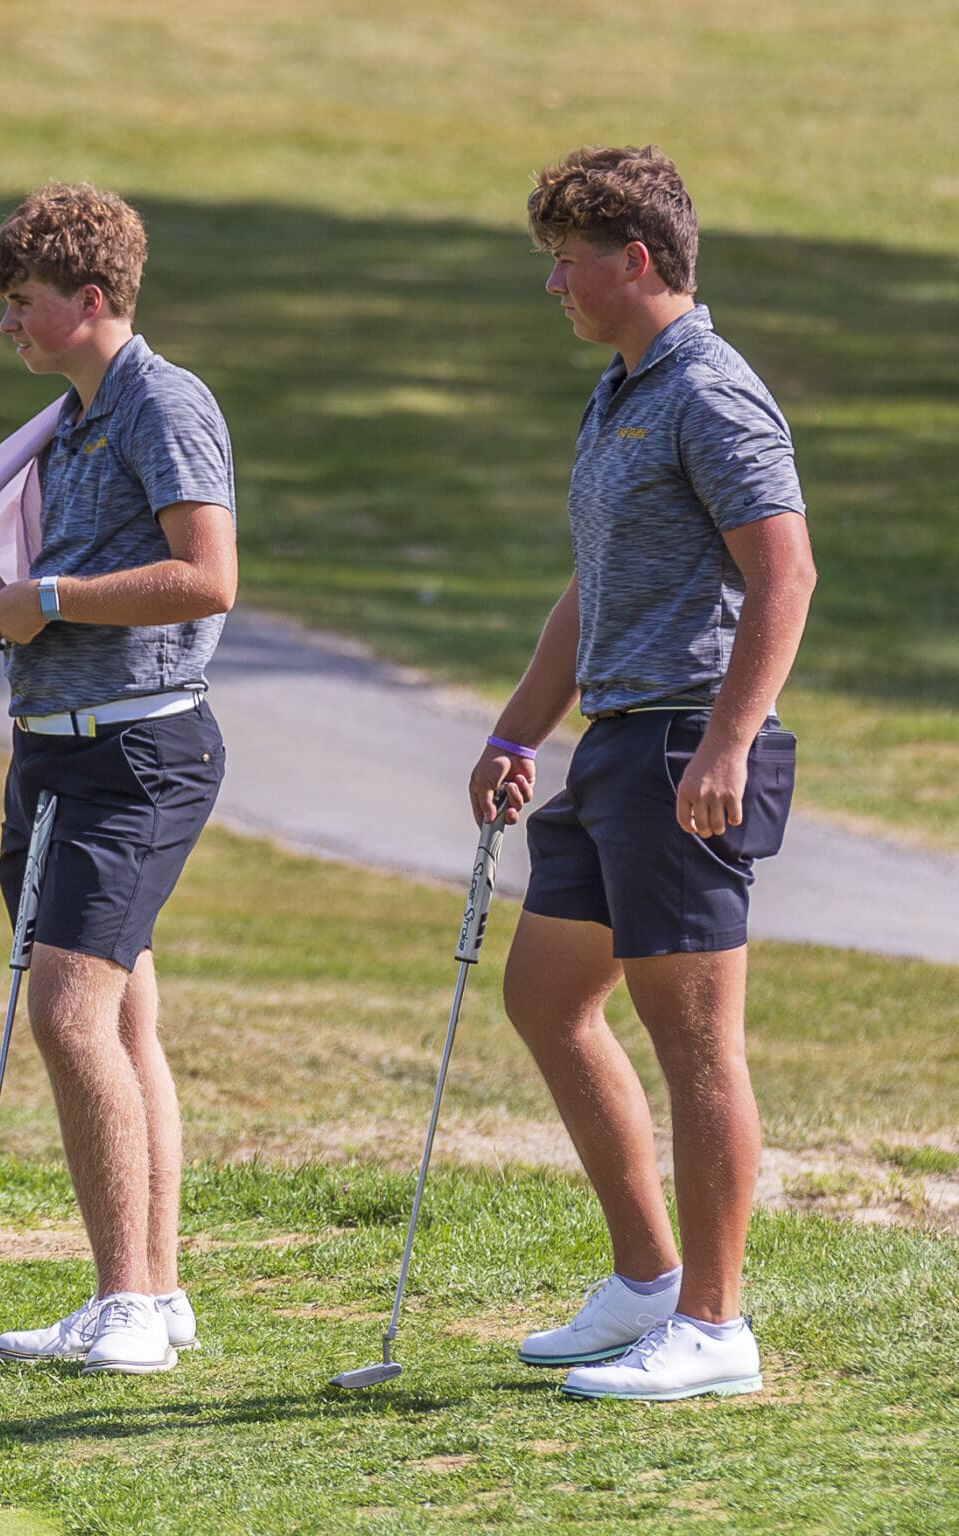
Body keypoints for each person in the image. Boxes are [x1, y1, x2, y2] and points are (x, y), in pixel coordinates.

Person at [470, 146, 816, 1400]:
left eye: (565, 261)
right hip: (616, 744)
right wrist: (517, 730)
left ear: (633, 261)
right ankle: (646, 1283)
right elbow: (595, 583)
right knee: (543, 997)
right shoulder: (620, 391)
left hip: (683, 748)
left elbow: (783, 572)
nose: (550, 284)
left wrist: (727, 741)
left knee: (695, 1043)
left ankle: (714, 1329)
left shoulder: (709, 394)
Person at [0, 182, 236, 1375]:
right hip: (58, 746)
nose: (5, 325)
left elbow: (206, 576)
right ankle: (152, 1294)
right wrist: (6, 604)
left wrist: (51, 600)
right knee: (120, 1017)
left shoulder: (162, 403)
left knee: (67, 1012)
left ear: (86, 298)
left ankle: (121, 1303)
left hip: (135, 751)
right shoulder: (73, 419)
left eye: (20, 302)